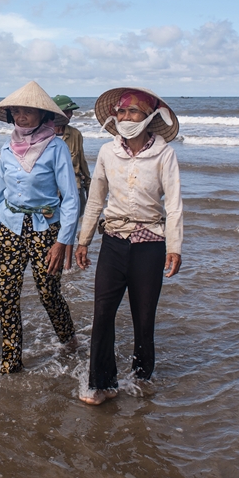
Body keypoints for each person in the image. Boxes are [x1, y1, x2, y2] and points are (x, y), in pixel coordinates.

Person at [75, 87, 183, 405]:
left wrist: (175, 247)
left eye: (133, 112)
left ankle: (141, 378)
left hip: (150, 245)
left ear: (148, 118)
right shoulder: (109, 153)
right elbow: (96, 198)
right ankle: (102, 384)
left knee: (143, 317)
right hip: (113, 242)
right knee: (103, 314)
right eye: (121, 112)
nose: (125, 118)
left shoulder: (164, 154)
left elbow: (174, 205)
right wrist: (84, 240)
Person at [0, 81, 80, 374]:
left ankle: (68, 338)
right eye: (17, 111)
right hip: (11, 228)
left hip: (46, 230)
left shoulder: (56, 147)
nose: (22, 116)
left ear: (42, 115)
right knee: (6, 294)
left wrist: (63, 241)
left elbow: (71, 199)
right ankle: (11, 360)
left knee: (48, 291)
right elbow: (2, 194)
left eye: (28, 111)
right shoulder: (6, 149)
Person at [53, 94, 92, 270]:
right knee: (53, 225)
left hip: (74, 185)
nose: (69, 115)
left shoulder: (75, 134)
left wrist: (89, 184)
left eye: (70, 112)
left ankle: (67, 263)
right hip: (51, 189)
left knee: (71, 224)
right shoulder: (44, 134)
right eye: (66, 111)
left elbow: (82, 161)